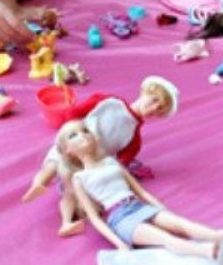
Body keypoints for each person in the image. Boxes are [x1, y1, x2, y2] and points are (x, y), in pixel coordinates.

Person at [48, 119, 223, 257]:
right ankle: (203, 250)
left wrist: (163, 209)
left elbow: (141, 192)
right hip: (120, 218)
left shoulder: (110, 162)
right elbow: (95, 218)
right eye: (73, 135)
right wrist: (119, 243)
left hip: (138, 205)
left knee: (180, 224)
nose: (82, 135)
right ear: (68, 150)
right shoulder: (79, 178)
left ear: (95, 137)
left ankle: (219, 234)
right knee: (165, 238)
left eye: (85, 130)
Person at [22, 75, 181, 230]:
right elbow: (75, 112)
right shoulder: (109, 102)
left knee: (71, 190)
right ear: (144, 92)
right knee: (54, 162)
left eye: (159, 109)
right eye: (153, 100)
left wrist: (97, 169)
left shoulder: (134, 139)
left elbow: (117, 166)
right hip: (73, 144)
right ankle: (39, 184)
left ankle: (67, 223)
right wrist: (74, 132)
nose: (153, 108)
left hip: (87, 163)